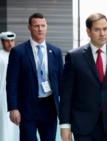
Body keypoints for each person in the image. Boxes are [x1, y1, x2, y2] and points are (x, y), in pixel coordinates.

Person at [59, 13, 107, 141]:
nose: (102, 34)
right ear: (88, 31)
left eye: (105, 29)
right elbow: (66, 94)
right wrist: (65, 125)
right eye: (97, 30)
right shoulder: (74, 57)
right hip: (82, 125)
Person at [6, 13, 63, 141]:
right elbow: (12, 82)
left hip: (49, 107)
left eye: (43, 25)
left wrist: (65, 107)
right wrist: (13, 108)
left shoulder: (56, 52)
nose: (40, 29)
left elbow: (61, 81)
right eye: (36, 26)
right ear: (29, 27)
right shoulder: (18, 52)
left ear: (46, 27)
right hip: (27, 107)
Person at [0, 31, 19, 141]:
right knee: (4, 125)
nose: (10, 43)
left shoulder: (18, 54)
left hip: (17, 95)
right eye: (7, 41)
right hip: (2, 96)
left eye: (12, 41)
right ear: (2, 42)